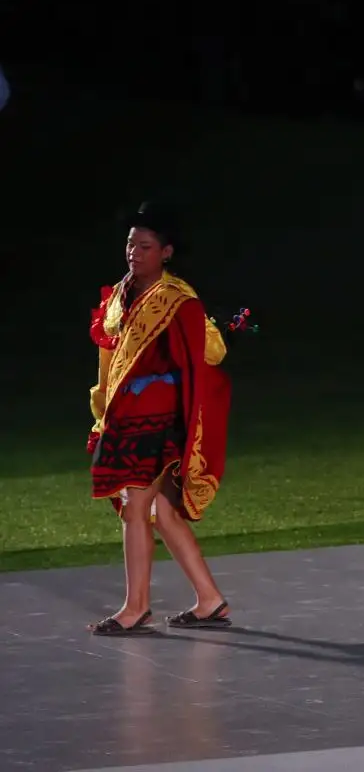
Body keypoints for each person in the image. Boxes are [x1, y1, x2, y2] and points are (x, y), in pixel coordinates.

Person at [86, 207, 233, 635]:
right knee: (164, 514)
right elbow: (110, 359)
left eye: (145, 247)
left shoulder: (178, 298)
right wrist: (103, 411)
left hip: (159, 418)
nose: (134, 253)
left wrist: (210, 330)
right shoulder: (119, 294)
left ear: (166, 252)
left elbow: (207, 355)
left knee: (135, 509)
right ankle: (210, 600)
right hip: (128, 414)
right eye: (131, 244)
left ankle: (135, 608)